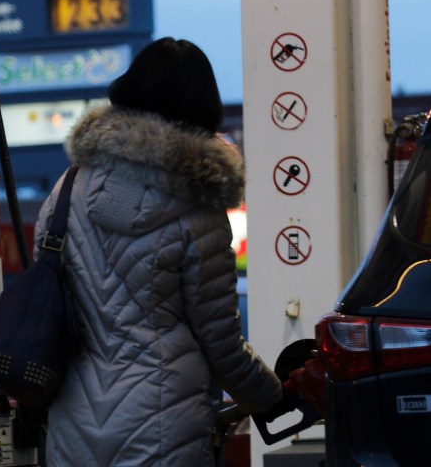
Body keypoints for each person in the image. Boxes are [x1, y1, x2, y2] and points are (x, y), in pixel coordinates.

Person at [35, 37, 284, 466]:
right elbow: (220, 343)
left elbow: (47, 291)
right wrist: (273, 396)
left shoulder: (67, 188)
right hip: (164, 430)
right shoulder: (197, 207)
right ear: (203, 109)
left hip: (72, 425)